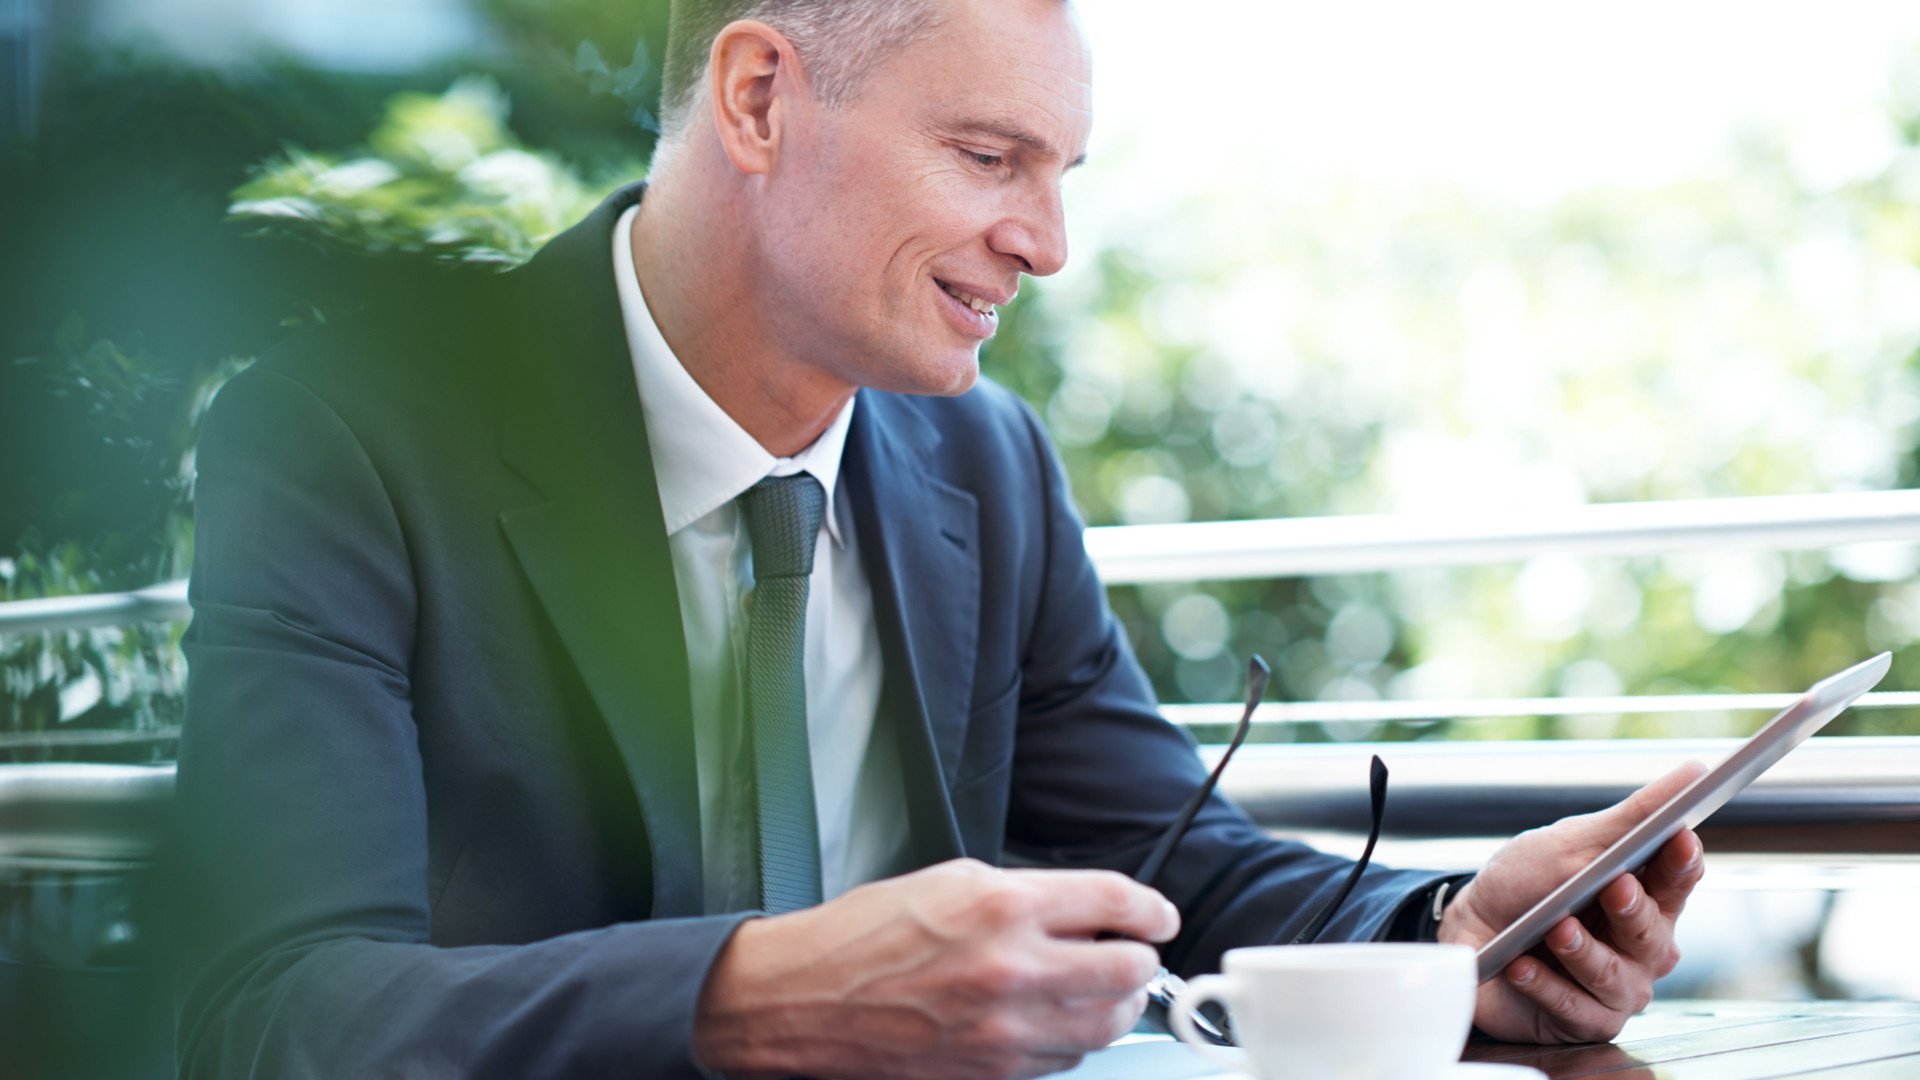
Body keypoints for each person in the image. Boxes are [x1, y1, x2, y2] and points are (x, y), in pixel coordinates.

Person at [173, 0, 1706, 1077]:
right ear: (759, 98)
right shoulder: (345, 437)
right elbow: (277, 1015)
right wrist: (760, 994)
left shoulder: (987, 462)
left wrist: (1457, 938)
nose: (1046, 243)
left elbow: (1173, 864)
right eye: (990, 159)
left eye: (1059, 174)